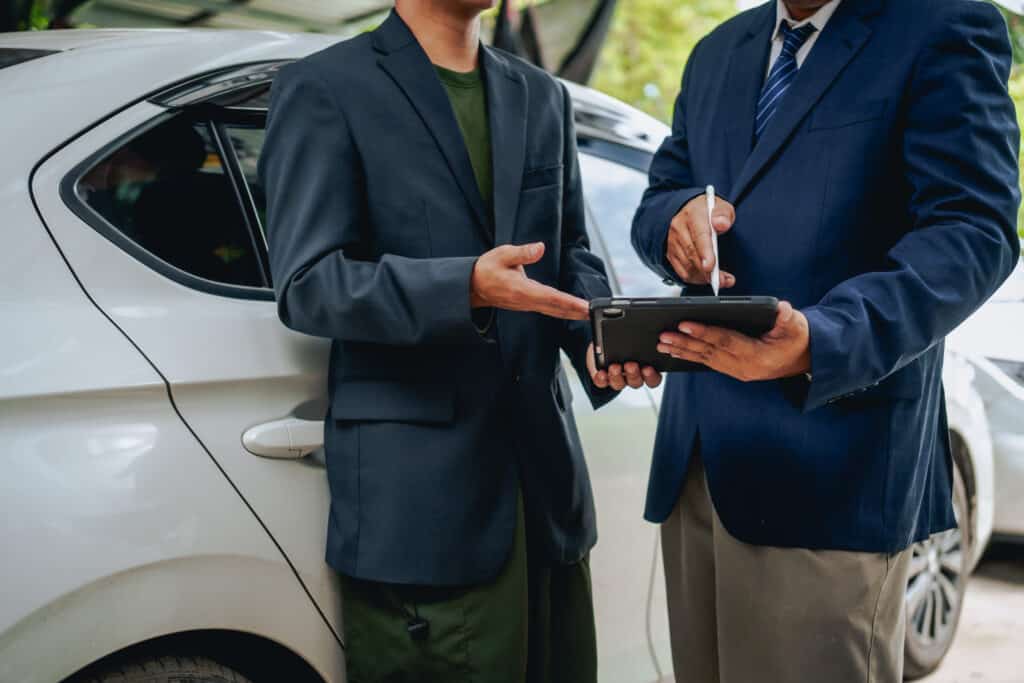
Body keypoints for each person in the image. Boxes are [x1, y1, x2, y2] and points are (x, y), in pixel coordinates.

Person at [258, 1, 661, 681]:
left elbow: (568, 259)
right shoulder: (324, 87)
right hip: (423, 514)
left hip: (547, 500)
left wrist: (598, 340)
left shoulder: (542, 96)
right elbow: (308, 283)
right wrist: (464, 286)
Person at [631, 1, 1021, 681]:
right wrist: (672, 221)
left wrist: (824, 338)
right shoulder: (717, 52)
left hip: (832, 471)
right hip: (698, 467)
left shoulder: (945, 25)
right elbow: (661, 192)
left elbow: (975, 230)